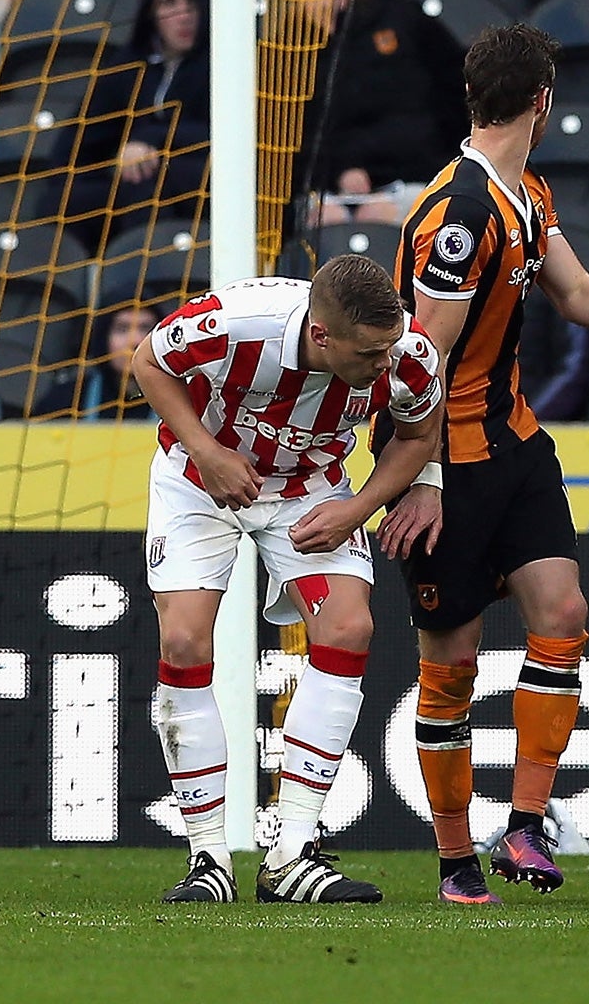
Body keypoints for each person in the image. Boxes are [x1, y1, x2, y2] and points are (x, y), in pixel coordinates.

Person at [391, 24, 589, 903]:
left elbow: (579, 294)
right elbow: (425, 359)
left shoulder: (524, 193)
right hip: (447, 460)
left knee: (562, 612)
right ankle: (455, 861)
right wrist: (422, 479)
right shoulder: (461, 212)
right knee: (449, 663)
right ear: (542, 103)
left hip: (515, 445)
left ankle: (525, 826)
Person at [136, 255, 444, 904]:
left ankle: (292, 853)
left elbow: (418, 437)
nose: (385, 366)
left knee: (350, 626)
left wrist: (357, 509)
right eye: (369, 355)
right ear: (322, 335)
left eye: (389, 350)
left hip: (312, 488)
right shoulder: (234, 324)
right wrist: (206, 450)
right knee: (186, 644)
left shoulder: (411, 354)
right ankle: (208, 859)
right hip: (200, 481)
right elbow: (148, 361)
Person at [289, 0, 469, 229]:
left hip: (412, 176)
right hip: (330, 190)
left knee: (380, 216)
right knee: (323, 220)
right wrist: (343, 170)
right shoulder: (292, 57)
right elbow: (300, 142)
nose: (323, 1)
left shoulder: (402, 21)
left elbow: (450, 94)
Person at [66, 0, 211, 249]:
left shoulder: (223, 65)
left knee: (149, 186)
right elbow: (80, 142)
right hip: (127, 185)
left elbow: (226, 137)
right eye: (170, 3)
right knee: (63, 198)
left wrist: (151, 140)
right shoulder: (126, 66)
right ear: (151, 11)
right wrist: (121, 157)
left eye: (191, 3)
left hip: (198, 181)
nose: (183, 15)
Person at [78, 302, 159, 420]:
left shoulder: (185, 400)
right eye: (122, 329)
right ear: (103, 338)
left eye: (145, 329)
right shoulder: (68, 398)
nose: (135, 341)